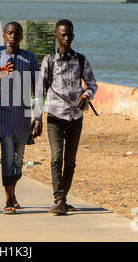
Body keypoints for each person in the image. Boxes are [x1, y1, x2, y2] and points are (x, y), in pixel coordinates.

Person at [41, 19, 98, 215]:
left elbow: (92, 84)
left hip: (75, 117)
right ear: (56, 37)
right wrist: (35, 118)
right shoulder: (49, 60)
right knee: (56, 157)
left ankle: (63, 196)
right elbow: (40, 90)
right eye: (62, 35)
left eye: (69, 35)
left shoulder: (81, 60)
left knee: (70, 160)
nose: (66, 38)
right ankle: (58, 198)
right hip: (55, 116)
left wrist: (86, 96)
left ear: (73, 37)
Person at [0, 22, 43, 214]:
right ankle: (8, 198)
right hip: (2, 113)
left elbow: (38, 89)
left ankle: (13, 191)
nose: (13, 36)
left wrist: (38, 117)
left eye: (16, 33)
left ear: (21, 36)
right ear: (3, 36)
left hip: (23, 115)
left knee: (18, 161)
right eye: (9, 33)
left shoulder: (30, 59)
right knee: (7, 155)